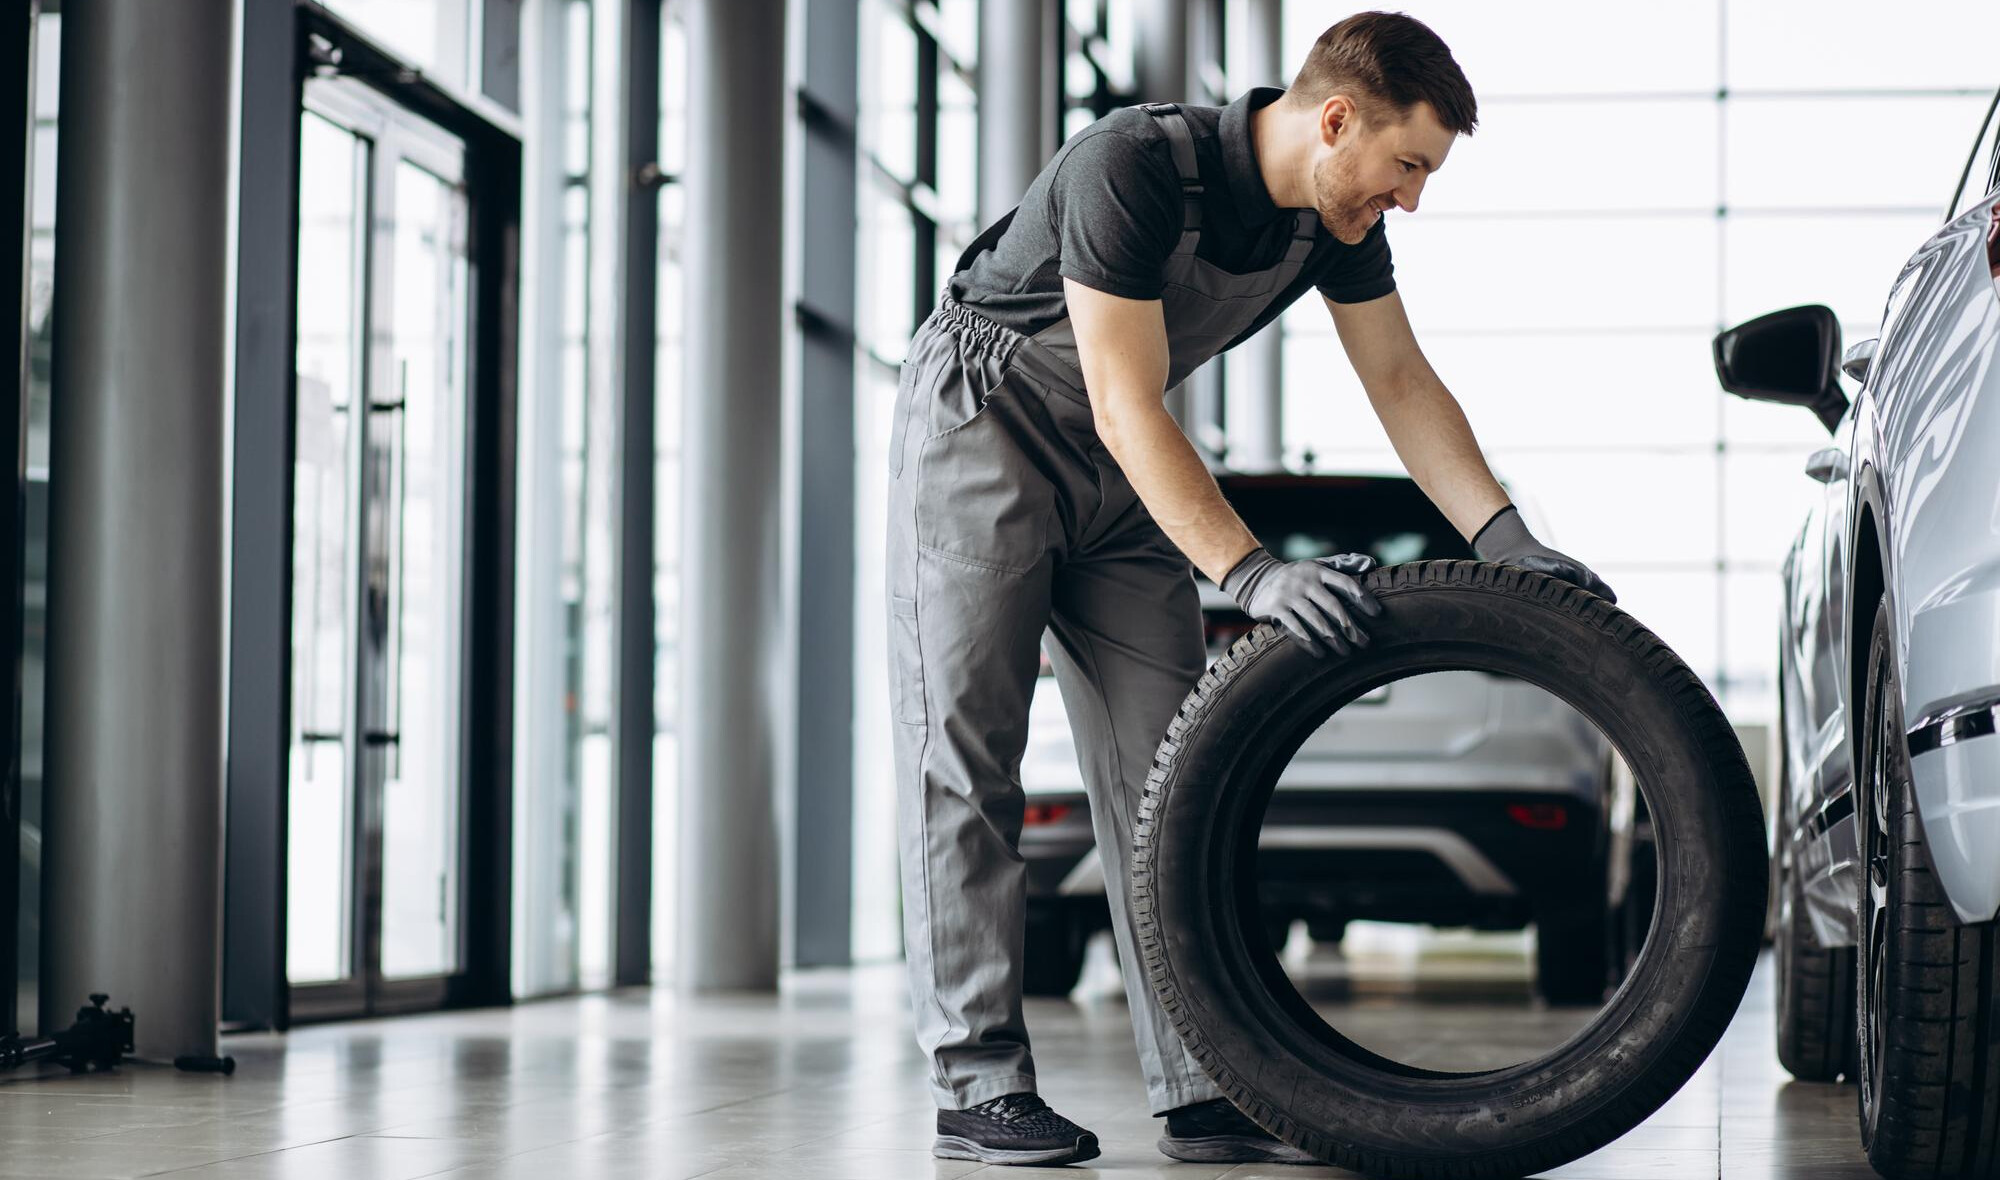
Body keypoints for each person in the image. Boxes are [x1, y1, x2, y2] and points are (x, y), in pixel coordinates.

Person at [883, 10, 1615, 1167]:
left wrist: (1506, 536)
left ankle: (1196, 1082)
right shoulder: (1129, 165)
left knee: (1172, 780)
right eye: (1407, 166)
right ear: (1335, 121)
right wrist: (1251, 571)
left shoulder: (1330, 220)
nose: (1409, 199)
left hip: (1124, 463)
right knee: (966, 759)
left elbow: (1399, 381)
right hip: (989, 424)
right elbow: (1123, 400)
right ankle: (977, 1081)